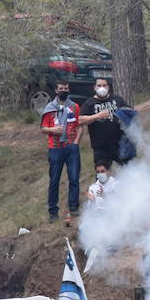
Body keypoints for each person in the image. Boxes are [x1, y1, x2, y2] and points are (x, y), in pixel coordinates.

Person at [40, 79, 82, 225]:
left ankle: (74, 207)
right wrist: (52, 129)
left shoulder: (75, 107)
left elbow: (79, 125)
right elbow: (43, 128)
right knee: (54, 181)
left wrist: (76, 142)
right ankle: (53, 212)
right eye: (61, 88)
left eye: (66, 88)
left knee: (74, 178)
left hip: (71, 147)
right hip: (55, 148)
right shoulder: (49, 108)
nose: (63, 90)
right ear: (56, 90)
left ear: (68, 89)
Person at [78, 78, 131, 169]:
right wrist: (96, 116)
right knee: (102, 174)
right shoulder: (89, 103)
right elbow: (80, 120)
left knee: (128, 170)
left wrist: (125, 116)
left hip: (119, 143)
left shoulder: (117, 99)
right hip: (101, 147)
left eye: (104, 85)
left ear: (108, 87)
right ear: (94, 88)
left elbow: (130, 113)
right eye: (99, 85)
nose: (102, 88)